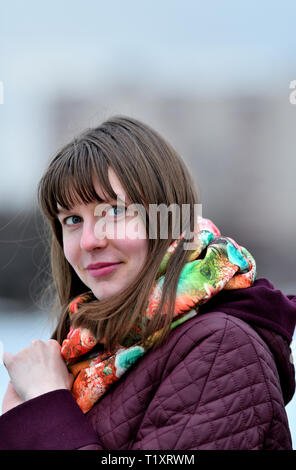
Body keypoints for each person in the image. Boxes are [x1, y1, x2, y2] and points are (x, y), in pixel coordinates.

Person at [0, 116, 295, 450]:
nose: (89, 241)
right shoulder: (89, 354)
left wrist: (47, 405)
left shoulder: (222, 349)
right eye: (72, 219)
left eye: (113, 211)